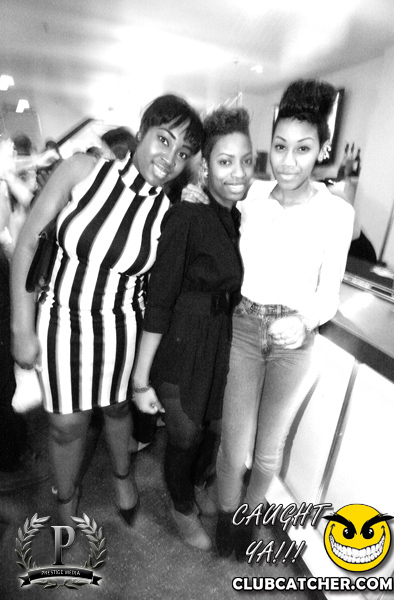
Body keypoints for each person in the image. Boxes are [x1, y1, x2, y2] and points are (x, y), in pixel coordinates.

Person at [10, 94, 204, 528]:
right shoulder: (82, 170)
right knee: (66, 425)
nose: (170, 158)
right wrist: (21, 326)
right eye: (164, 139)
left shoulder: (169, 214)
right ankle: (66, 499)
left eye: (183, 152)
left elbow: (171, 286)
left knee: (116, 408)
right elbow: (27, 243)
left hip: (122, 327)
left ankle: (122, 473)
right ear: (142, 132)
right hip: (60, 320)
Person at [185, 80, 354, 559]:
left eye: (303, 149)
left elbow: (329, 294)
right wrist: (197, 195)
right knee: (232, 446)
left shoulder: (337, 213)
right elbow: (215, 193)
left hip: (294, 343)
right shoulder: (252, 197)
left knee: (267, 452)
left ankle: (250, 519)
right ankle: (227, 524)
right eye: (280, 147)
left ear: (321, 152)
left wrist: (305, 321)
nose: (288, 161)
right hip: (243, 328)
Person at [132, 107, 254, 550]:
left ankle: (197, 484)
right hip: (183, 342)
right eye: (225, 161)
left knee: (215, 430)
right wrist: (140, 378)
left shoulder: (238, 217)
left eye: (246, 160)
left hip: (223, 341)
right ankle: (181, 507)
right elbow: (160, 298)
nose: (237, 172)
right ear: (205, 167)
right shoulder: (186, 215)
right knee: (186, 434)